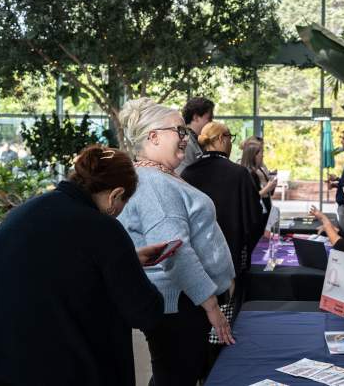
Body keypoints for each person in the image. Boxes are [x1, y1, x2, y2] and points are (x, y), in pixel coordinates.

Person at [0, 145, 166, 386]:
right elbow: (144, 312)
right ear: (115, 195)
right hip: (67, 368)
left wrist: (128, 258)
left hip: (0, 362)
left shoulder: (23, 213)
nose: (121, 211)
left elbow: (55, 264)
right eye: (124, 202)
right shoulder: (103, 229)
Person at [117, 98, 235, 386]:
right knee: (176, 378)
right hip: (182, 306)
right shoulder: (154, 183)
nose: (186, 138)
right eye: (179, 131)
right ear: (153, 136)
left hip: (185, 303)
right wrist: (211, 307)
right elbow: (174, 250)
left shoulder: (159, 177)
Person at [180, 122, 264, 364]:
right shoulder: (238, 174)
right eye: (230, 136)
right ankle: (220, 365)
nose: (231, 142)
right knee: (226, 320)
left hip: (195, 260)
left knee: (197, 320)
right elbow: (254, 219)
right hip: (230, 259)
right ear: (221, 139)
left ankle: (198, 364)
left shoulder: (188, 174)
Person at [240, 138, 277, 225]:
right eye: (261, 153)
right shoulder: (248, 174)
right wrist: (267, 188)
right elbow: (251, 197)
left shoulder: (259, 169)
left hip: (263, 212)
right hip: (255, 217)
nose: (263, 156)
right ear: (254, 155)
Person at [174, 96, 214, 174]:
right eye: (209, 119)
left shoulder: (196, 139)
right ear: (196, 117)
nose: (211, 123)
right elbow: (182, 176)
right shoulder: (184, 142)